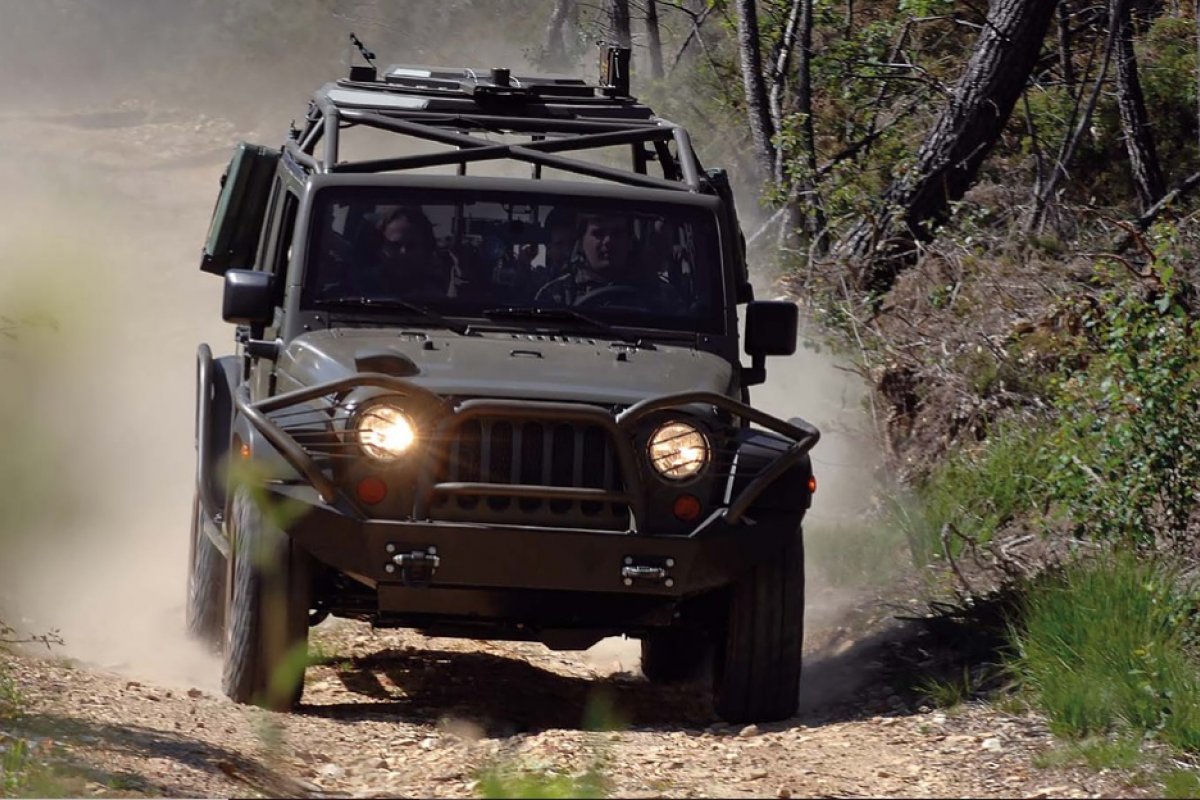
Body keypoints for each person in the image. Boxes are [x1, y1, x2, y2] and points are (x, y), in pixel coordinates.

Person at [533, 212, 682, 309]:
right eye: (598, 233)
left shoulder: (661, 294)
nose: (608, 241)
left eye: (617, 233)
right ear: (581, 242)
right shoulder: (557, 293)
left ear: (630, 241)